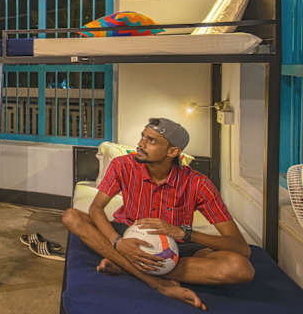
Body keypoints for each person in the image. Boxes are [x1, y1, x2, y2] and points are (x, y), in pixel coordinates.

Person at [62, 118, 254, 311]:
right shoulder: (122, 165)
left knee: (241, 268)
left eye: (151, 140)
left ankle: (127, 266)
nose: (140, 144)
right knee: (71, 217)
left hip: (176, 244)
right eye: (142, 137)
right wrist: (117, 242)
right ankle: (156, 281)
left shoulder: (199, 184)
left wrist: (184, 233)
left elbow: (241, 247)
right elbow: (96, 208)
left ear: (173, 152)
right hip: (127, 233)